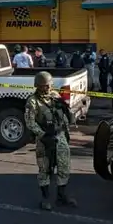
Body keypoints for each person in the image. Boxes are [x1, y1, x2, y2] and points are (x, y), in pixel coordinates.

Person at [24, 70, 76, 210]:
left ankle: (61, 196)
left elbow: (62, 115)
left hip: (60, 137)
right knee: (45, 169)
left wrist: (67, 120)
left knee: (64, 166)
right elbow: (30, 122)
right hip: (45, 140)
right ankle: (45, 198)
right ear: (38, 86)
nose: (48, 88)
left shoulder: (54, 96)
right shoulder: (33, 101)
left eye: (49, 85)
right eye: (45, 85)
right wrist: (42, 135)